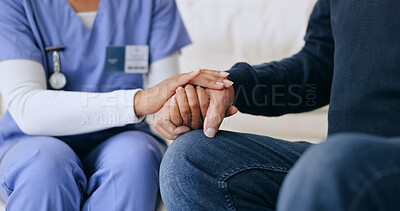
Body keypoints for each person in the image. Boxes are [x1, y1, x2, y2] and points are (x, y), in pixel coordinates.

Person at [157, 0, 400, 210]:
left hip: (350, 163)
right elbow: (320, 69)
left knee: (329, 166)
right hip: (340, 163)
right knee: (189, 162)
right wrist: (229, 88)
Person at [0, 0, 233, 210]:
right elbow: (27, 108)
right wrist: (140, 101)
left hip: (126, 138)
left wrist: (187, 104)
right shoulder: (14, 4)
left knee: (135, 161)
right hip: (33, 140)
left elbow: (164, 103)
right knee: (46, 168)